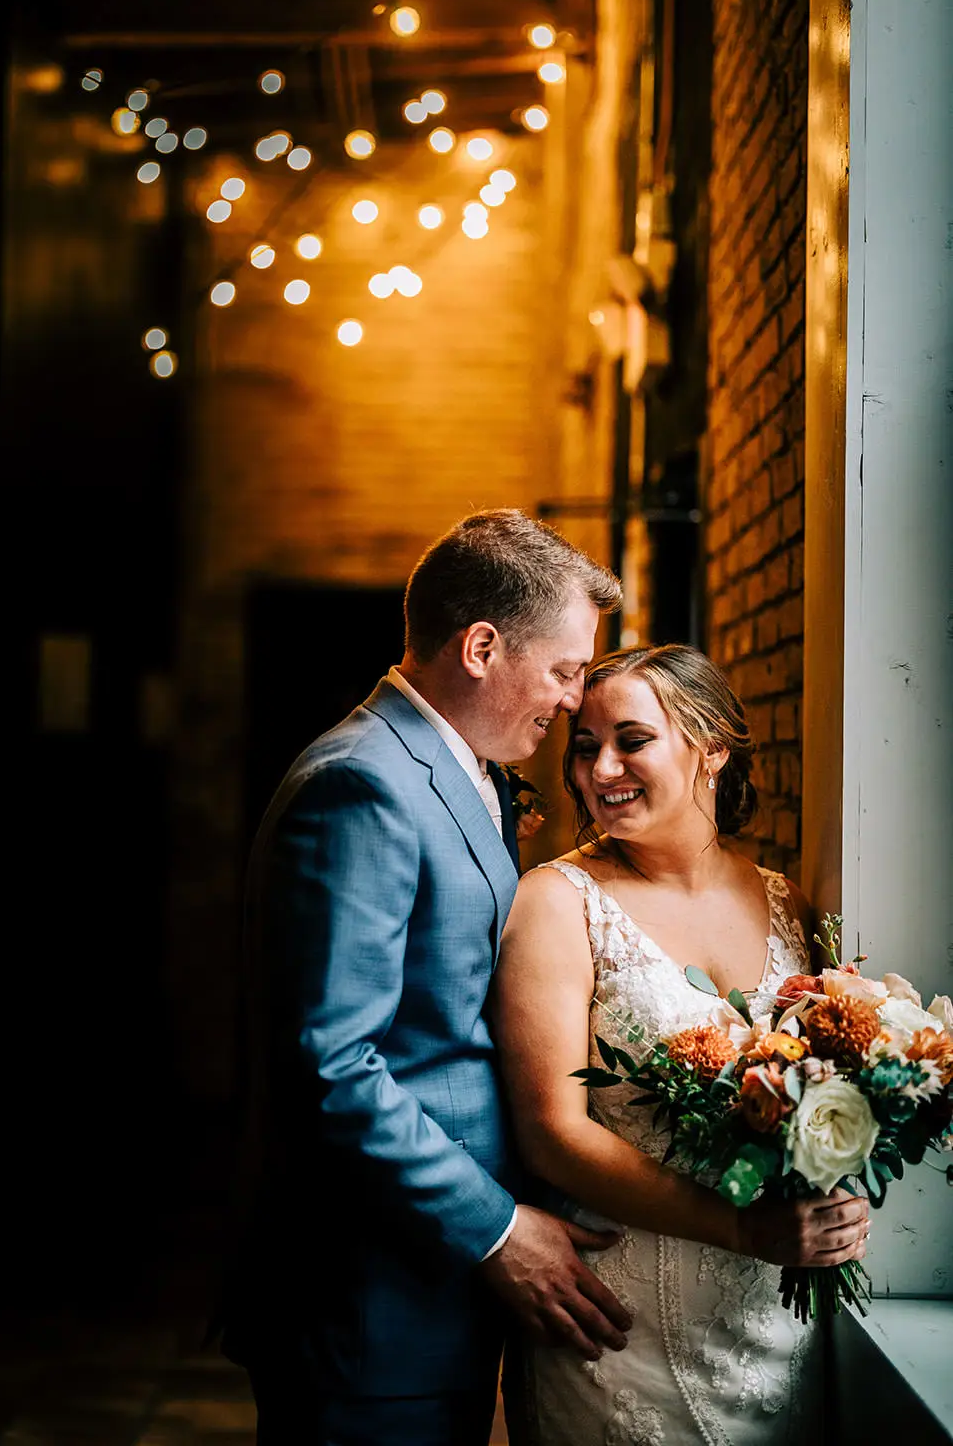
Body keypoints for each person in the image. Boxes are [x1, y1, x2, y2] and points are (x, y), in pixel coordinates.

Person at [215, 509, 629, 1446]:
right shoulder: (360, 784)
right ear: (481, 646)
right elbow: (332, 1063)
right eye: (564, 670)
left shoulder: (454, 770)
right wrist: (494, 1228)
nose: (571, 701)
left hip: (421, 1294)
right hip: (368, 1301)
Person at [492, 644, 869, 1446]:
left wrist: (841, 1192)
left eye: (631, 740)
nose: (600, 770)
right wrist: (742, 1230)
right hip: (618, 1328)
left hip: (771, 1324)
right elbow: (552, 1133)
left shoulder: (788, 902)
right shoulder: (556, 905)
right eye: (585, 747)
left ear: (711, 746)